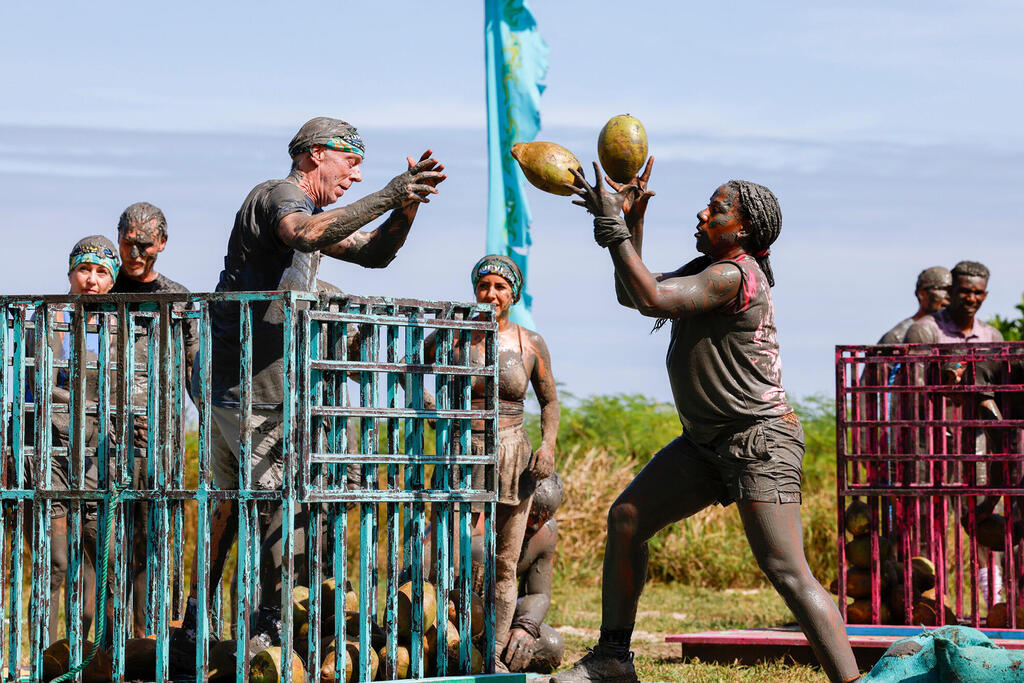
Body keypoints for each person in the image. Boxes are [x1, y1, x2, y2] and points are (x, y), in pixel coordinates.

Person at [554, 160, 860, 683]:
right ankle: (612, 658)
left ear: (743, 229)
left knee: (787, 571)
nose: (702, 213)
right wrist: (629, 228)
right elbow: (635, 294)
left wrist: (615, 233)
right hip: (704, 444)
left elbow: (651, 297)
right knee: (627, 519)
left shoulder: (730, 275)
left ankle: (852, 681)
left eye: (717, 209)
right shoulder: (708, 270)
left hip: (758, 441)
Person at [171, 116, 446, 672]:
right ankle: (262, 634)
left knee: (242, 505)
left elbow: (376, 255)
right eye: (351, 161)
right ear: (316, 154)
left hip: (252, 387)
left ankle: (199, 624)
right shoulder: (280, 196)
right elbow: (303, 233)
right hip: (246, 386)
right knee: (275, 507)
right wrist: (389, 189)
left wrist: (406, 205)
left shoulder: (315, 214)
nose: (357, 173)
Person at [422, 254, 559, 673]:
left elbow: (550, 401)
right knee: (443, 551)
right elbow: (413, 366)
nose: (491, 294)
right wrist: (428, 406)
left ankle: (493, 659)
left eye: (500, 287)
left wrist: (548, 445)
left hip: (512, 454)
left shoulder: (529, 342)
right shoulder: (454, 335)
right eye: (485, 287)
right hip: (460, 454)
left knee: (504, 562)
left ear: (513, 294)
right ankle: (438, 641)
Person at [111, 200, 199, 637]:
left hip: (160, 439)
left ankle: (149, 639)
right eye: (128, 243)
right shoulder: (100, 294)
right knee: (103, 543)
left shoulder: (177, 299)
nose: (135, 253)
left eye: (145, 244)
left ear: (162, 243)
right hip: (99, 439)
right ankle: (105, 644)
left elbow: (196, 371)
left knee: (156, 538)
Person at [28, 236, 120, 643]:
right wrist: (92, 402)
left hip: (98, 453)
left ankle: (85, 656)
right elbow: (42, 382)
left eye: (102, 273)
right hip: (50, 450)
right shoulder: (49, 317)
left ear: (113, 281)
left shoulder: (117, 324)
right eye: (85, 269)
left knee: (95, 561)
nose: (92, 281)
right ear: (70, 272)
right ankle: (47, 658)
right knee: (56, 562)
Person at [498, 471, 565, 674]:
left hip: (500, 619)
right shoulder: (486, 518)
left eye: (544, 518)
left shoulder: (546, 535)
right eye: (532, 513)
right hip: (461, 615)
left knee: (552, 646)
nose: (536, 524)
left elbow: (538, 593)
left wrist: (525, 627)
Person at [877, 266, 951, 343]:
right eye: (942, 289)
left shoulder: (954, 332)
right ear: (922, 294)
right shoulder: (897, 337)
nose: (949, 296)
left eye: (952, 290)